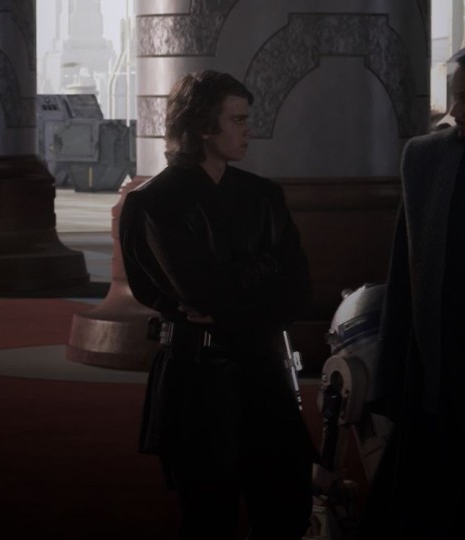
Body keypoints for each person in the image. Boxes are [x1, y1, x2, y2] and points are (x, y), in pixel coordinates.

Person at [119, 70, 318, 539]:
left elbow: (299, 289)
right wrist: (264, 270)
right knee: (209, 515)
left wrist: (240, 290)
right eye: (237, 120)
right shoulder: (156, 202)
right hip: (198, 377)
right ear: (204, 126)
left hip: (261, 370)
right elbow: (203, 293)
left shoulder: (263, 195)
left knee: (288, 506)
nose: (249, 130)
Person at [354, 42, 465, 539]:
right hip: (444, 374)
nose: (455, 111)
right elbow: (404, 275)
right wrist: (391, 379)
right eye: (455, 97)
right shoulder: (429, 159)